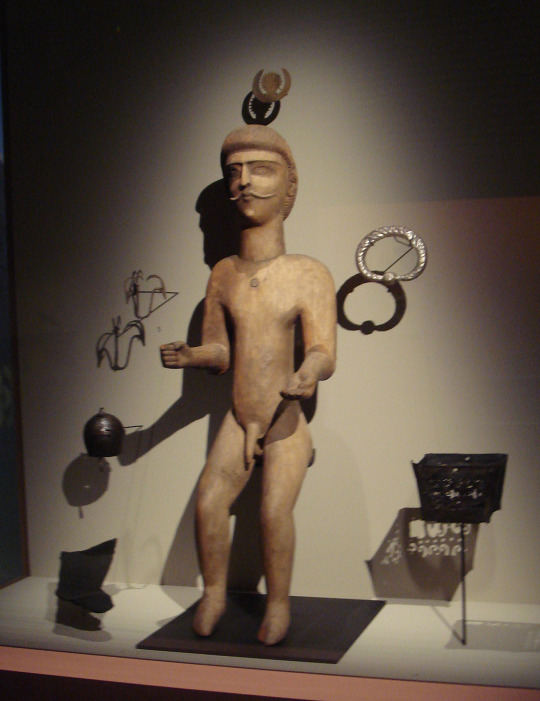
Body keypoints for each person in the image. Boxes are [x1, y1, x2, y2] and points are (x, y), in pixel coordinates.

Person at [161, 125, 336, 645]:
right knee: (209, 503)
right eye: (234, 172)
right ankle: (214, 593)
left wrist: (309, 372)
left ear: (289, 185)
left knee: (272, 512)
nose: (244, 182)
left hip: (285, 419)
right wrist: (194, 355)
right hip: (240, 418)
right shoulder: (223, 274)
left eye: (261, 169)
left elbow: (324, 350)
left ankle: (278, 605)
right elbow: (221, 353)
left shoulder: (308, 274)